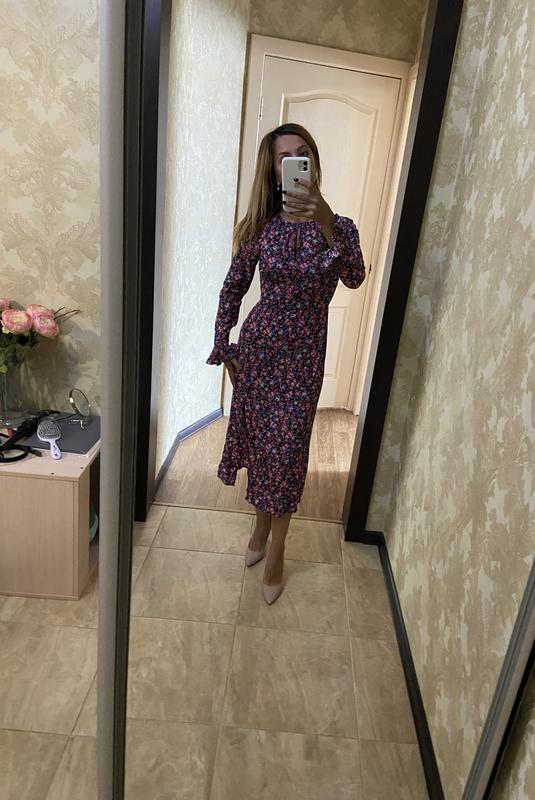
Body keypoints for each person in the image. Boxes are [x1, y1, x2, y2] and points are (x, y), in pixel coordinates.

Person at [206, 122, 365, 604]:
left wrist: (327, 219)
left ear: (313, 162)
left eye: (303, 152)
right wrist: (223, 346)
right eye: (284, 156)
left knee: (288, 453)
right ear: (274, 171)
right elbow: (233, 287)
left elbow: (355, 277)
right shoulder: (261, 227)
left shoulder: (340, 227)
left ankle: (277, 546)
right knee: (263, 448)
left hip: (304, 357)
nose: (295, 161)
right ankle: (259, 525)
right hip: (259, 351)